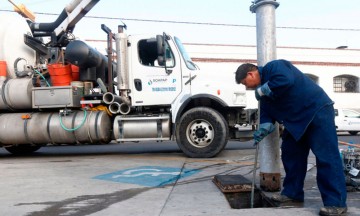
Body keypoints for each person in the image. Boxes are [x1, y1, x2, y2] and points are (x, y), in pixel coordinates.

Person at [235, 59, 347, 216]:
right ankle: (292, 194)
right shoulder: (263, 95)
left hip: (316, 111)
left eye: (245, 83)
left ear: (251, 73)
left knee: (327, 157)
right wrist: (264, 127)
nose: (247, 87)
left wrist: (265, 88)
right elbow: (267, 115)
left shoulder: (274, 67)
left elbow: (286, 80)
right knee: (290, 153)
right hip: (296, 121)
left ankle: (336, 203)